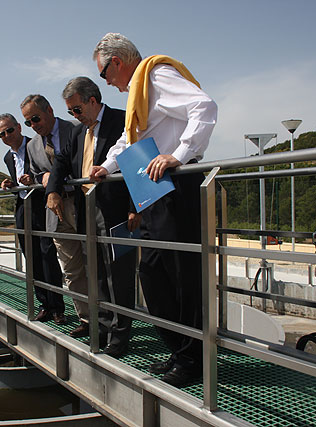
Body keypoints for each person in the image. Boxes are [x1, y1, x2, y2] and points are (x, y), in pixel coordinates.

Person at [90, 33, 218, 386]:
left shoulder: (156, 76)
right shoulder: (139, 91)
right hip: (153, 191)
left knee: (182, 277)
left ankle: (193, 362)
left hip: (175, 186)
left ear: (116, 61)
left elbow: (204, 107)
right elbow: (131, 140)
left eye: (103, 73)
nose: (106, 82)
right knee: (152, 273)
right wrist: (107, 166)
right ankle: (181, 352)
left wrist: (179, 155)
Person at [47, 77, 138, 356]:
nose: (74, 116)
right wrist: (53, 191)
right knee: (96, 274)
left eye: (77, 109)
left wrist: (135, 207)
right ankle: (102, 329)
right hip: (87, 209)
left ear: (92, 101)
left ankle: (121, 337)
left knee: (118, 276)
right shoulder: (76, 133)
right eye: (70, 112)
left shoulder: (122, 121)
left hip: (116, 210)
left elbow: (136, 161)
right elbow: (62, 162)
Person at [20, 94, 86, 327]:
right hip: (55, 210)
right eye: (28, 122)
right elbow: (37, 173)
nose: (33, 125)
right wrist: (42, 177)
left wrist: (58, 178)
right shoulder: (31, 145)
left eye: (35, 118)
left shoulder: (77, 128)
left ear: (49, 110)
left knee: (95, 264)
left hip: (81, 203)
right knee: (71, 269)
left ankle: (109, 319)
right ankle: (86, 318)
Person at [0, 113, 66, 325]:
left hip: (42, 205)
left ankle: (58, 308)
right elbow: (19, 184)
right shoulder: (8, 157)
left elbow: (50, 169)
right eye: (1, 134)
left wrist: (33, 179)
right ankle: (44, 304)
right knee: (32, 258)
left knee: (47, 255)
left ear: (19, 127)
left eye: (9, 130)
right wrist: (10, 186)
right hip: (22, 207)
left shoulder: (35, 144)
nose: (7, 136)